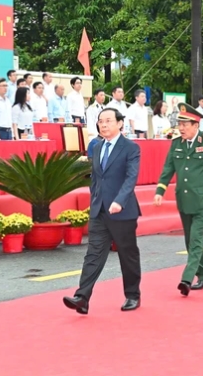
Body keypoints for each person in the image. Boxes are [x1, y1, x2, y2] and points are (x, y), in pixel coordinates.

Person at [63, 108, 142, 314]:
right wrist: (95, 200)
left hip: (122, 211)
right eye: (100, 121)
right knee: (93, 253)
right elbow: (96, 179)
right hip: (99, 211)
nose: (104, 124)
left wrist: (120, 201)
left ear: (120, 124)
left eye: (108, 121)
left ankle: (132, 295)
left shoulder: (130, 148)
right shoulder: (96, 147)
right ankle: (82, 297)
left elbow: (130, 178)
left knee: (127, 254)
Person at [154, 103, 203, 295]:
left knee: (195, 239)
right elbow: (168, 168)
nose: (182, 128)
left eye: (186, 124)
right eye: (180, 124)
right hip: (185, 201)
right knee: (189, 241)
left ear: (196, 125)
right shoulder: (177, 143)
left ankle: (187, 278)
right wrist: (160, 191)